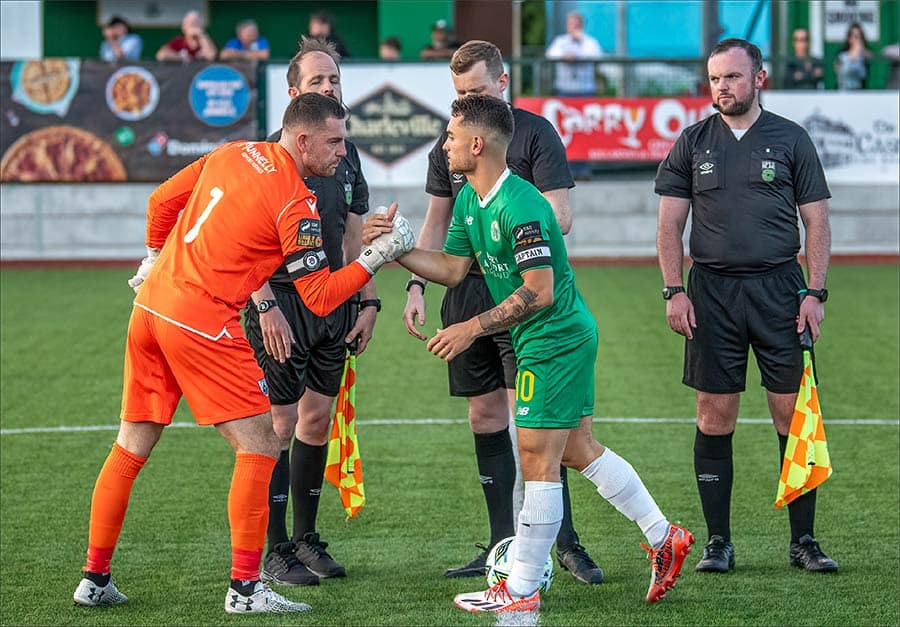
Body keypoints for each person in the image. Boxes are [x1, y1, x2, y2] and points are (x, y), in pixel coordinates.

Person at [71, 92, 412, 614]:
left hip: (150, 309)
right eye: (335, 141)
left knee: (131, 445)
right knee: (261, 445)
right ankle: (246, 589)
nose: (343, 151)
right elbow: (319, 295)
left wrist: (154, 256)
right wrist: (376, 257)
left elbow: (160, 202)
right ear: (302, 141)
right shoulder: (295, 201)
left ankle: (94, 579)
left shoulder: (232, 151)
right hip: (202, 321)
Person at [372, 94, 693, 613]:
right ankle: (664, 537)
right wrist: (395, 250)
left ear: (477, 144)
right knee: (575, 449)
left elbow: (538, 291)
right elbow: (455, 269)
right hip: (551, 337)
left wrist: (470, 328)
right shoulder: (472, 199)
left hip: (553, 341)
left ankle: (520, 590)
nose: (445, 144)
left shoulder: (519, 204)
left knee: (536, 458)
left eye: (452, 136)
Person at [405, 39, 604, 585]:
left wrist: (508, 235)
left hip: (518, 292)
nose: (464, 104)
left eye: (475, 91)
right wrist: (415, 285)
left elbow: (557, 215)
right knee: (485, 417)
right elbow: (438, 221)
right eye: (458, 95)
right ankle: (501, 547)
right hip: (467, 290)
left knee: (539, 427)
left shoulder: (534, 135)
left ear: (502, 82)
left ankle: (565, 545)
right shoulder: (448, 149)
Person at [655, 38, 838, 575]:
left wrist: (814, 292)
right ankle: (718, 542)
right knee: (714, 415)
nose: (722, 88)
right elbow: (670, 226)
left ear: (758, 79)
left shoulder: (791, 139)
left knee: (792, 413)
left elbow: (818, 222)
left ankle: (803, 541)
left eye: (732, 77)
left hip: (781, 291)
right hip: (711, 292)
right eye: (714, 78)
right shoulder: (691, 142)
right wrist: (674, 289)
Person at [244, 36, 377, 587]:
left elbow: (351, 237)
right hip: (279, 305)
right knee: (279, 423)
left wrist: (366, 301)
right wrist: (266, 304)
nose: (330, 88)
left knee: (316, 420)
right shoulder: (266, 158)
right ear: (294, 90)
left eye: (336, 80)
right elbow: (242, 243)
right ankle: (274, 548)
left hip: (333, 306)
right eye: (319, 81)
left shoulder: (345, 154)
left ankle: (305, 538)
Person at [545, 11, 603, 97]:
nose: (574, 27)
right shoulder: (560, 40)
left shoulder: (590, 41)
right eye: (571, 24)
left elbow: (597, 54)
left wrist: (578, 54)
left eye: (577, 24)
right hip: (564, 90)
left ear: (582, 25)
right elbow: (550, 54)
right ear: (567, 25)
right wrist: (564, 56)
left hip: (586, 90)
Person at [834, 22, 871, 90]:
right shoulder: (841, 55)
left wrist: (862, 51)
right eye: (856, 36)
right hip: (844, 90)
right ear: (849, 38)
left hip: (860, 91)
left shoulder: (864, 55)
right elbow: (840, 72)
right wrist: (852, 57)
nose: (859, 39)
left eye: (861, 36)